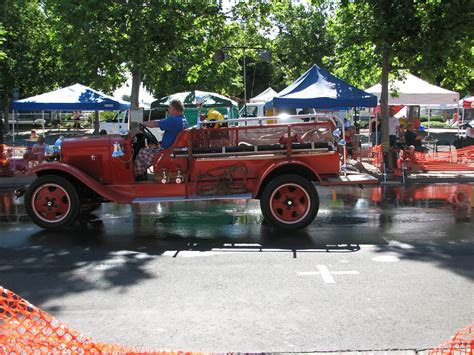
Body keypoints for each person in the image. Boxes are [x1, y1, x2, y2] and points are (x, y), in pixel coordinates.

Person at [134, 99, 188, 177]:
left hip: (168, 152)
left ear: (174, 109)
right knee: (148, 148)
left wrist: (142, 124)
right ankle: (141, 173)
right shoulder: (182, 119)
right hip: (172, 149)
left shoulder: (174, 120)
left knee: (143, 152)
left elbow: (155, 123)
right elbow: (160, 122)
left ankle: (135, 175)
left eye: (169, 108)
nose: (168, 110)